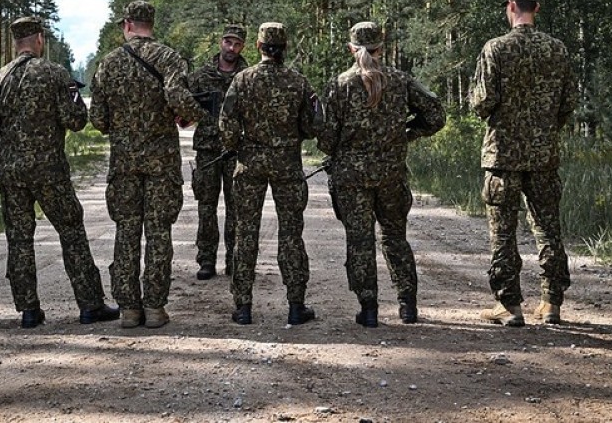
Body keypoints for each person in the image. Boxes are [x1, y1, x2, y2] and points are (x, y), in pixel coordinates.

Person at [0, 16, 118, 329]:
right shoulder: (55, 73)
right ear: (39, 39)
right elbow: (76, 119)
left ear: (16, 42)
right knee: (71, 231)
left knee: (19, 239)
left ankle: (28, 310)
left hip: (11, 174)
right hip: (49, 171)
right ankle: (90, 305)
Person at [89, 0, 209, 329]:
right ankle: (154, 307)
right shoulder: (169, 57)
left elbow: (98, 119)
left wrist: (122, 125)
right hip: (161, 162)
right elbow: (179, 98)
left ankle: (129, 308)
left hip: (124, 162)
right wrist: (194, 115)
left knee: (126, 232)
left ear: (128, 24)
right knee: (158, 232)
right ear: (151, 24)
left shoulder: (109, 63)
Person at [317, 22, 445, 327]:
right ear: (381, 47)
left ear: (351, 48)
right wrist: (406, 134)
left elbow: (326, 139)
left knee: (360, 240)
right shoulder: (400, 80)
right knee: (395, 238)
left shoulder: (339, 84)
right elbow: (436, 116)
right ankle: (407, 305)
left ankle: (369, 308)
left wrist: (341, 148)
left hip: (351, 178)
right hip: (391, 175)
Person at [469, 0, 577, 327]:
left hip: (503, 155)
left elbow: (482, 102)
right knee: (548, 229)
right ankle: (551, 303)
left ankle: (509, 305)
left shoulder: (496, 48)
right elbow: (568, 103)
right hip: (544, 155)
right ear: (536, 7)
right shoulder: (557, 49)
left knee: (503, 233)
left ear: (511, 6)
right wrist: (545, 127)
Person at [219, 22, 322, 326]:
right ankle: (296, 305)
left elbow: (226, 124)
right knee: (291, 233)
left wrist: (238, 146)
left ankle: (243, 306)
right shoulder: (299, 82)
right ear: (284, 48)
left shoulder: (242, 79)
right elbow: (313, 126)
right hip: (287, 164)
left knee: (245, 232)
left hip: (250, 164)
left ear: (258, 47)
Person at [187, 24, 248, 281]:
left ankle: (234, 259)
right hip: (208, 149)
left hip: (236, 150)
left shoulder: (247, 76)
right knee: (206, 206)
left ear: (242, 47)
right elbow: (183, 106)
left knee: (237, 207)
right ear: (221, 42)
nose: (231, 48)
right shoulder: (201, 76)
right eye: (228, 42)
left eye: (236, 44)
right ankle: (206, 259)